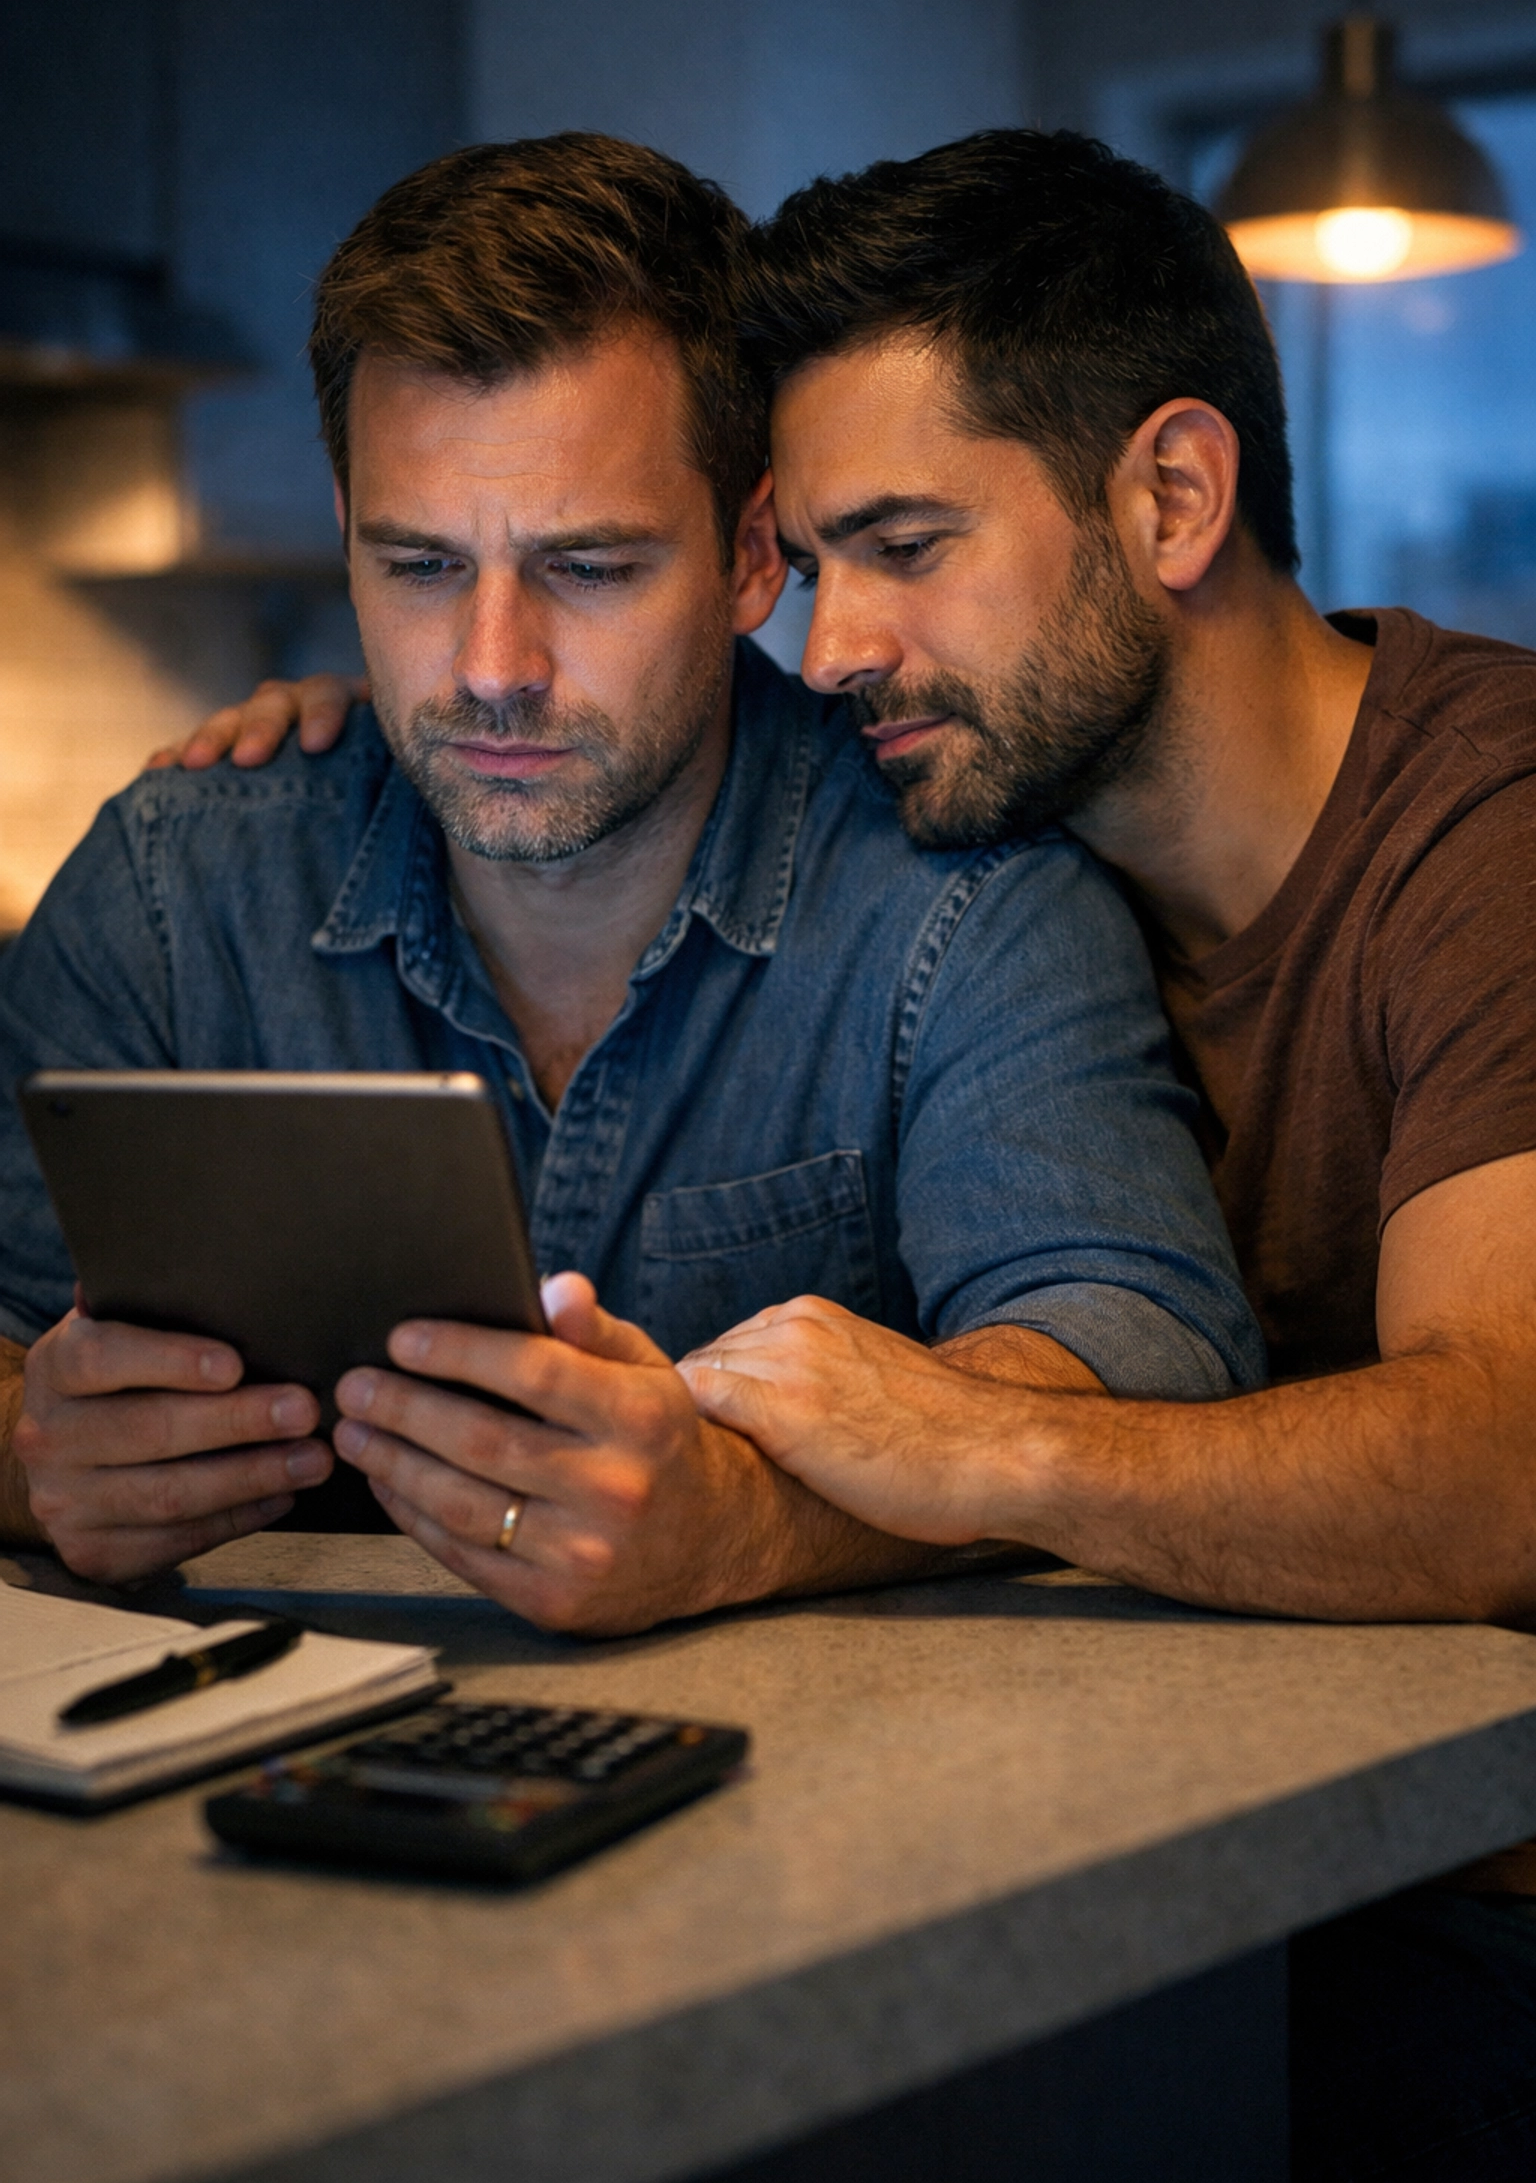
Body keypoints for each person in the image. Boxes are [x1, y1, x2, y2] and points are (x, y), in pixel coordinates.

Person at [195, 129, 1536, 2178]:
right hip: (1228, 1872)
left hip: (1472, 1928)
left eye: (904, 546)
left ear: (1173, 499)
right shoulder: (1016, 839)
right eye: (813, 566)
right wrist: (413, 718)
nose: (827, 651)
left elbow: (1506, 1474)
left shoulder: (1489, 837)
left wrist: (985, 1443)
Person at [0, 133, 1262, 1637]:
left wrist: (751, 1519)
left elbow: (1138, 1346)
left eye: (589, 568)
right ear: (345, 536)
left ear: (752, 558)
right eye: (418, 566)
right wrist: (27, 1454)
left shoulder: (962, 896)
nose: (491, 670)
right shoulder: (175, 883)